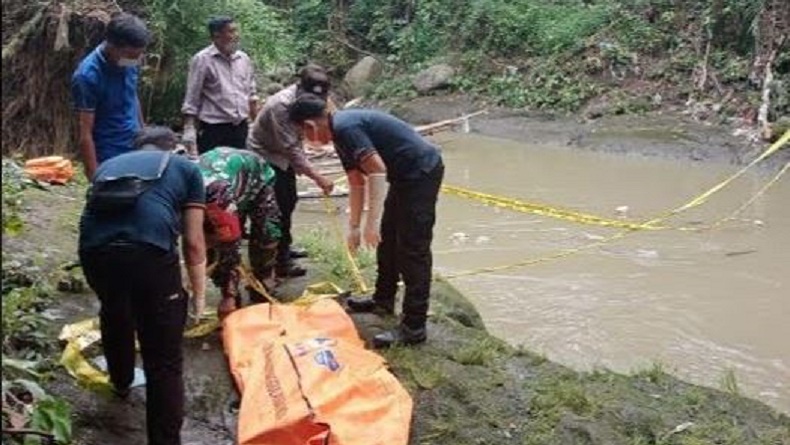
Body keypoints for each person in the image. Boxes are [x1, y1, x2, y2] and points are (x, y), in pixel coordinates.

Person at [79, 126, 207, 445]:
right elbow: (193, 243)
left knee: (115, 309)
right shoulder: (187, 168)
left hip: (94, 252)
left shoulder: (108, 165)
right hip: (149, 253)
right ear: (173, 149)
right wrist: (198, 299)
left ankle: (121, 381)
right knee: (163, 357)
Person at [288, 95, 444, 348]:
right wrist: (354, 227)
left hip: (421, 172)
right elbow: (356, 182)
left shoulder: (346, 127)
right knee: (389, 240)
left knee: (412, 249)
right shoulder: (339, 134)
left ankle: (414, 327)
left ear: (310, 126)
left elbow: (377, 170)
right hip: (403, 177)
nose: (306, 139)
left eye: (302, 133)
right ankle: (383, 299)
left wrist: (371, 222)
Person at [247, 64, 335, 278]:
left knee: (290, 200)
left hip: (285, 156)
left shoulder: (315, 101)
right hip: (267, 155)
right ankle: (279, 263)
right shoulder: (281, 105)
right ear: (299, 87)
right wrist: (318, 177)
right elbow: (291, 148)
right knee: (277, 209)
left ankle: (284, 247)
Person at [197, 147, 281, 319]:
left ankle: (262, 281)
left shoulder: (216, 195)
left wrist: (228, 297)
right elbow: (193, 244)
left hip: (256, 178)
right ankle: (230, 292)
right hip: (220, 191)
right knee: (210, 248)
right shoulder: (173, 201)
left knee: (267, 231)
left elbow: (230, 245)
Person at [72, 12, 150, 180]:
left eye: (139, 55)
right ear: (112, 46)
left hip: (136, 145)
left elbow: (132, 95)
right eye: (131, 56)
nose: (136, 60)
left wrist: (144, 133)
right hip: (110, 154)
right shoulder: (87, 76)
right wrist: (94, 176)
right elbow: (85, 132)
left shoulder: (130, 60)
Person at [181, 16, 259, 155]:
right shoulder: (202, 59)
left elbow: (251, 94)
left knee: (238, 171)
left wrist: (256, 125)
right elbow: (192, 97)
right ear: (217, 35)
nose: (236, 36)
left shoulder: (243, 59)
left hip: (240, 127)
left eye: (236, 31)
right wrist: (189, 129)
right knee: (213, 172)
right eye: (231, 31)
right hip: (214, 129)